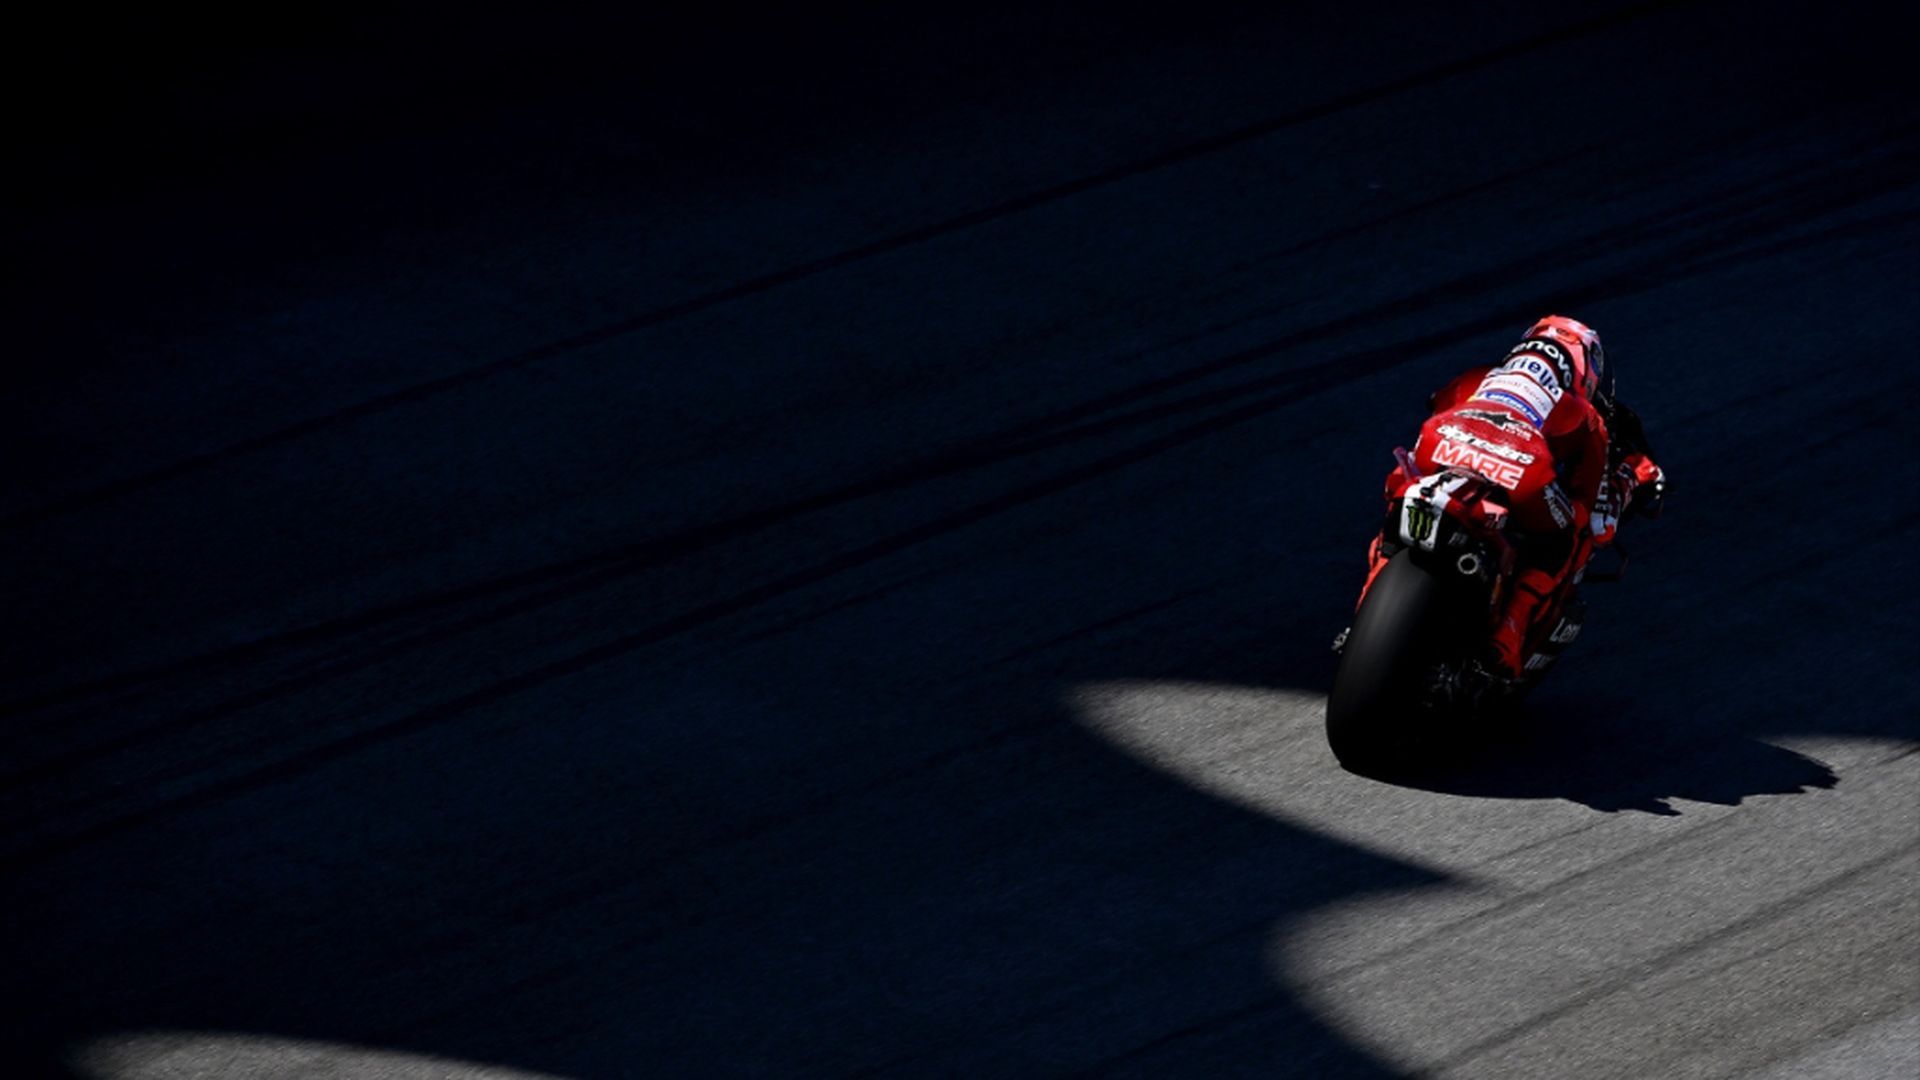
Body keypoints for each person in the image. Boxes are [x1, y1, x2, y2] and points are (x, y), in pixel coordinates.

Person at [1358, 315, 1665, 689]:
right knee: (1571, 537)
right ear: (1585, 372)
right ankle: (1508, 637)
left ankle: (1364, 610)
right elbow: (1600, 522)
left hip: (1440, 440)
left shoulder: (1476, 377)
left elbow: (1435, 403)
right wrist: (1631, 479)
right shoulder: (1583, 414)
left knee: (1405, 493)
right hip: (1522, 468)